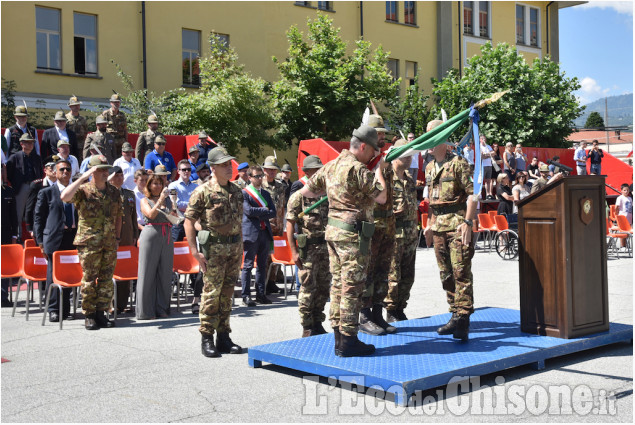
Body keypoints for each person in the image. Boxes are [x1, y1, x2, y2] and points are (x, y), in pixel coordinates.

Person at [300, 124, 388, 357]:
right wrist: (379, 170)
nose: (374, 155)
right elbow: (381, 196)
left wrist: (333, 194)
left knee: (338, 285)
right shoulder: (358, 169)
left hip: (333, 233)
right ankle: (349, 339)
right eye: (372, 151)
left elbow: (307, 192)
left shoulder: (330, 166)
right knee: (351, 287)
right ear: (362, 146)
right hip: (352, 236)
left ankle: (339, 337)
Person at [185, 146, 244, 358]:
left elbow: (238, 222)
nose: (229, 168)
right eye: (224, 165)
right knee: (211, 294)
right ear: (212, 168)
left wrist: (240, 247)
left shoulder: (237, 191)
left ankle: (224, 337)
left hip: (234, 249)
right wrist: (194, 251)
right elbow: (189, 221)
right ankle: (207, 337)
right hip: (214, 251)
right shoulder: (202, 192)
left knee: (227, 295)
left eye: (229, 164)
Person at [423, 119, 477, 342]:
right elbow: (431, 202)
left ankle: (462, 319)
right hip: (438, 226)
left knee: (460, 272)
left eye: (432, 136)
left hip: (456, 224)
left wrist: (468, 223)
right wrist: (428, 224)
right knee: (445, 273)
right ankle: (454, 312)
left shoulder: (458, 163)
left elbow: (473, 195)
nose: (428, 141)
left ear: (443, 139)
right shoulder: (428, 167)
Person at [60, 155, 122, 330]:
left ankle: (102, 313)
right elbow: (64, 196)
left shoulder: (114, 192)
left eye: (105, 169)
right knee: (89, 279)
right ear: (92, 172)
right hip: (89, 242)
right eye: (100, 170)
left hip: (109, 242)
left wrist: (117, 238)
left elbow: (118, 216)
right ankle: (89, 315)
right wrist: (82, 177)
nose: (105, 173)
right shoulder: (83, 190)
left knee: (106, 279)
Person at [286, 155, 330, 337]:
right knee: (307, 287)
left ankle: (318, 321)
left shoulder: (326, 194)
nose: (319, 172)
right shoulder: (299, 196)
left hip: (325, 247)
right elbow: (290, 225)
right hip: (308, 249)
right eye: (315, 170)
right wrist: (294, 252)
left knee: (323, 286)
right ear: (307, 172)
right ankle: (307, 325)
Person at [362, 114, 396, 336]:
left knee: (383, 270)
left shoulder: (384, 157)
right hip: (370, 223)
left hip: (387, 222)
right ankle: (364, 316)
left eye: (384, 133)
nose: (383, 136)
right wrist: (379, 168)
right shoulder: (363, 162)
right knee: (367, 270)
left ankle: (377, 314)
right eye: (380, 133)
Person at [34, 159, 78, 322]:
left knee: (68, 273)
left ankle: (65, 310)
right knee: (53, 275)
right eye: (62, 170)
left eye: (68, 169)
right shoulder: (47, 192)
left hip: (72, 237)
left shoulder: (76, 191)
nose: (65, 172)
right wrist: (40, 241)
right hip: (54, 238)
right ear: (55, 172)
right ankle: (53, 309)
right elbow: (38, 218)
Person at [136, 169, 179, 320]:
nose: (158, 185)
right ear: (149, 185)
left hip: (166, 235)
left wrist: (173, 203)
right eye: (155, 183)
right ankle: (146, 311)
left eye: (160, 183)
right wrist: (160, 201)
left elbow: (175, 218)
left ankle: (162, 307)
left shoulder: (167, 200)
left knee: (165, 273)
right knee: (147, 273)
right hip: (151, 235)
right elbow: (150, 215)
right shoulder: (144, 200)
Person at [385, 138, 418, 322]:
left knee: (408, 275)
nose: (409, 159)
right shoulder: (386, 178)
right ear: (396, 156)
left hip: (410, 235)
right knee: (393, 275)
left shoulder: (410, 180)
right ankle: (390, 310)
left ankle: (400, 307)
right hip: (393, 235)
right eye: (406, 155)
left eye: (411, 155)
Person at [241, 165, 277, 306]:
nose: (260, 178)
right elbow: (248, 211)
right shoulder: (245, 193)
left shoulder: (266, 194)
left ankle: (260, 294)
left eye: (261, 176)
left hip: (264, 232)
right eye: (257, 176)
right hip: (251, 233)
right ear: (249, 177)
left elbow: (273, 212)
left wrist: (261, 212)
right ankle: (246, 296)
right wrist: (264, 209)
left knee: (262, 265)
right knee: (248, 265)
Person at [108, 166, 139, 313]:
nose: (119, 178)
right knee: (112, 271)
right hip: (112, 238)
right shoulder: (107, 194)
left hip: (127, 237)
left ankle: (122, 303)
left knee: (126, 270)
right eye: (116, 176)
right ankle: (111, 304)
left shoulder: (129, 194)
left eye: (121, 175)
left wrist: (134, 236)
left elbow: (133, 217)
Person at [6, 133, 43, 240]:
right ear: (21, 143)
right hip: (21, 188)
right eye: (27, 142)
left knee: (36, 212)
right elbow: (9, 172)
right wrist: (16, 184)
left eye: (32, 142)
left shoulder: (36, 157)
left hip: (35, 188)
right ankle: (18, 237)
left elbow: (40, 172)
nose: (30, 144)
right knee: (18, 213)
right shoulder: (14, 157)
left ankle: (36, 237)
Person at [261, 156, 286, 294]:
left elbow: (282, 206)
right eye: (269, 170)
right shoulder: (260, 186)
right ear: (264, 170)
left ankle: (272, 281)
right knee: (265, 256)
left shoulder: (281, 186)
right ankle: (264, 282)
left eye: (274, 170)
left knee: (275, 255)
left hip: (277, 226)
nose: (272, 172)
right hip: (266, 226)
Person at [24, 160, 57, 239]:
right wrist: (30, 228)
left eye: (56, 169)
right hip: (42, 224)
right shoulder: (37, 185)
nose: (54, 171)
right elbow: (30, 206)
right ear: (45, 170)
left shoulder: (62, 185)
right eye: (51, 169)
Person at [1, 167, 19, 307]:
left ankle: (3, 296)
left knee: (4, 266)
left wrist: (14, 235)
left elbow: (14, 216)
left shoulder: (8, 191)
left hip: (5, 234)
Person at [168, 159, 197, 242]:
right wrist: (193, 205)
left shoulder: (196, 186)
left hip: (194, 223)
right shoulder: (173, 186)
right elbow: (176, 204)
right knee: (177, 250)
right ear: (178, 171)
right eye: (184, 169)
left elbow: (200, 204)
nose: (186, 171)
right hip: (179, 223)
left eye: (189, 169)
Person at [101, 93, 128, 158]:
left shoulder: (122, 115)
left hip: (121, 143)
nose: (116, 104)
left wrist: (126, 142)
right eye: (115, 102)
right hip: (110, 142)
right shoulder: (106, 114)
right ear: (111, 103)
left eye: (118, 102)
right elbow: (101, 128)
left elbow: (125, 129)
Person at [65, 96, 88, 161]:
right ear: (70, 106)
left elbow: (86, 132)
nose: (76, 107)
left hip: (81, 146)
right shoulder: (65, 118)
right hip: (70, 146)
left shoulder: (83, 119)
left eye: (78, 105)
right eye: (74, 105)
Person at [480, 135, 495, 200]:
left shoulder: (488, 146)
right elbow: (482, 156)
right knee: (481, 180)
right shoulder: (479, 146)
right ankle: (479, 194)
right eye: (482, 139)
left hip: (489, 165)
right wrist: (489, 155)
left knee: (488, 180)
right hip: (483, 165)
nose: (484, 140)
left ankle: (488, 194)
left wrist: (486, 155)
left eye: (484, 139)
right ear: (480, 139)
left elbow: (494, 153)